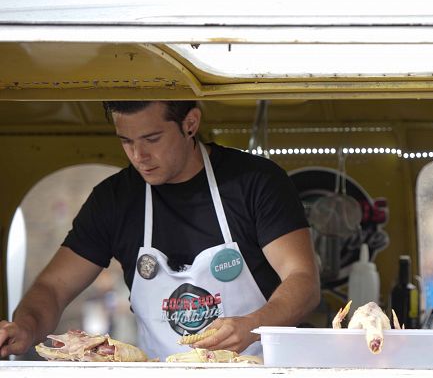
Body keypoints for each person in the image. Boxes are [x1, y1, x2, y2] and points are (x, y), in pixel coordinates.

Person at [0, 100, 320, 361]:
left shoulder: (255, 183)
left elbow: (302, 280)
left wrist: (254, 324)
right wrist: (25, 328)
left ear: (190, 124)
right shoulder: (114, 200)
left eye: (152, 139)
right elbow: (54, 287)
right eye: (127, 142)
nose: (139, 156)